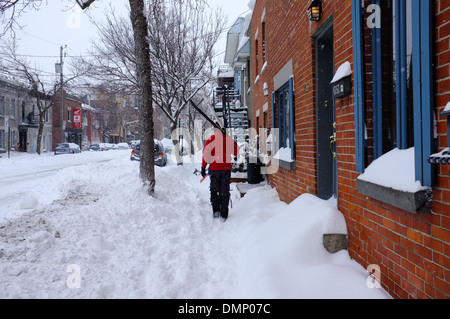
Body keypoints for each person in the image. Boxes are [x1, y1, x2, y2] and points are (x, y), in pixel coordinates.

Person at [201, 127, 239, 222]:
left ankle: (216, 210)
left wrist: (203, 167)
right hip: (225, 169)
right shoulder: (228, 139)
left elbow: (205, 154)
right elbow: (236, 152)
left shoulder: (211, 139)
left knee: (214, 189)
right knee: (224, 190)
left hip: (214, 169)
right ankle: (224, 213)